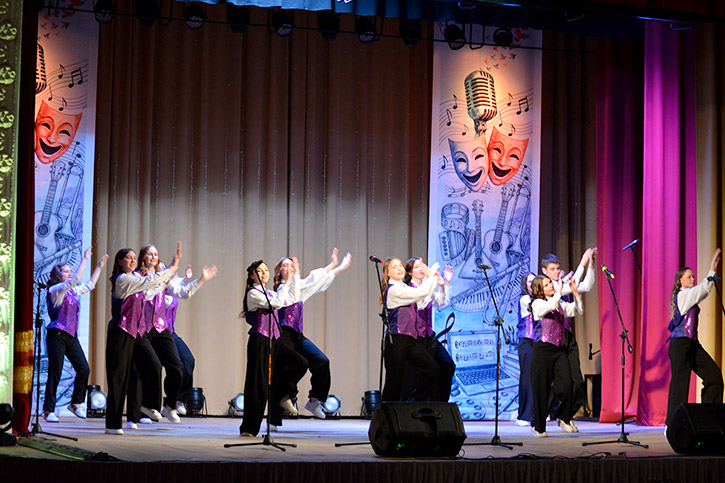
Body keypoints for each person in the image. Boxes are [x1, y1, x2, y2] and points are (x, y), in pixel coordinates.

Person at [104, 242, 181, 435]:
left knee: (154, 365)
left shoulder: (136, 279)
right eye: (128, 258)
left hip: (137, 333)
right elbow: (146, 284)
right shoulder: (122, 279)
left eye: (133, 258)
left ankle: (148, 405)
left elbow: (148, 292)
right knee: (119, 378)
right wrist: (170, 268)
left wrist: (163, 282)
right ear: (120, 262)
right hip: (121, 332)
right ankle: (113, 424)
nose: (131, 261)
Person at [270, 249, 352, 421]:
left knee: (322, 360)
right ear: (279, 271)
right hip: (283, 335)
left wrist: (337, 267)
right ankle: (276, 415)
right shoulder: (281, 288)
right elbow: (308, 282)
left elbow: (314, 283)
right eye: (285, 266)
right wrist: (331, 266)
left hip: (297, 335)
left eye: (292, 265)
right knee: (283, 371)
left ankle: (315, 400)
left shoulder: (297, 287)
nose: (289, 268)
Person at [239, 259, 308, 437]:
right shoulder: (253, 293)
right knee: (258, 385)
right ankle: (249, 428)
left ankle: (283, 395)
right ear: (252, 276)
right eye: (260, 271)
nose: (264, 273)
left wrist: (294, 278)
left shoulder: (270, 292)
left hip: (275, 339)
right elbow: (276, 304)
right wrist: (286, 283)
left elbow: (291, 299)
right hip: (260, 340)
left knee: (300, 362)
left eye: (266, 270)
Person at [43, 247, 108, 422]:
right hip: (57, 334)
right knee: (55, 371)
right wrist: (85, 259)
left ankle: (76, 403)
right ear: (58, 275)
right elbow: (77, 280)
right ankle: (48, 410)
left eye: (70, 271)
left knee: (84, 369)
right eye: (66, 271)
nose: (69, 274)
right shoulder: (55, 290)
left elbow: (89, 285)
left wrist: (99, 267)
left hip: (71, 336)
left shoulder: (72, 292)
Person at [125, 244, 186, 427]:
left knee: (176, 366)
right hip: (141, 328)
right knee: (140, 371)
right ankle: (135, 415)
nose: (153, 257)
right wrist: (169, 270)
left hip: (160, 328)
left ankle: (168, 405)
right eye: (150, 254)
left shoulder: (162, 277)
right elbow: (146, 294)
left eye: (156, 254)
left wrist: (201, 279)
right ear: (143, 257)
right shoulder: (136, 277)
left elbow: (182, 291)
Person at [666, 248, 724, 426]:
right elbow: (702, 290)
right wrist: (712, 268)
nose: (692, 279)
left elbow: (702, 290)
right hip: (680, 344)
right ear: (680, 280)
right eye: (689, 276)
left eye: (693, 276)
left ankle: (709, 420)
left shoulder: (689, 295)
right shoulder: (683, 295)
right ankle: (672, 425)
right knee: (680, 385)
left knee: (714, 377)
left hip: (692, 344)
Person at [540, 248, 596, 420]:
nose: (557, 272)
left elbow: (585, 286)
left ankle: (563, 415)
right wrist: (583, 261)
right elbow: (570, 284)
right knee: (552, 382)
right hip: (550, 339)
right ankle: (541, 416)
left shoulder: (561, 284)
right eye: (553, 269)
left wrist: (591, 265)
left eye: (558, 268)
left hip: (566, 335)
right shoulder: (545, 287)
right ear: (544, 271)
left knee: (576, 380)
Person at [529, 274, 583, 437]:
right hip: (542, 350)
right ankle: (539, 427)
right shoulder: (537, 303)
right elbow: (550, 306)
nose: (551, 286)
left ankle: (563, 417)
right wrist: (559, 292)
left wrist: (576, 294)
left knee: (567, 385)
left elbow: (577, 310)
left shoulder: (559, 303)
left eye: (550, 283)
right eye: (547, 285)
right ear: (540, 289)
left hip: (559, 351)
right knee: (542, 390)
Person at [381, 258, 441, 402]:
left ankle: (414, 402)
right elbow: (422, 293)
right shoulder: (394, 289)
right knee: (394, 383)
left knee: (432, 370)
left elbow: (423, 301)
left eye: (400, 265)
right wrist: (430, 274)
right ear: (388, 273)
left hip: (410, 339)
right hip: (396, 340)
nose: (399, 268)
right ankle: (385, 413)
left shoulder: (405, 287)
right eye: (394, 267)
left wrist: (432, 281)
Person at [402, 257, 456, 402]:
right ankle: (418, 404)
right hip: (416, 338)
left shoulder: (426, 287)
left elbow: (442, 302)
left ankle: (441, 404)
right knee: (426, 372)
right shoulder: (409, 289)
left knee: (448, 365)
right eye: (416, 267)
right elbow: (422, 302)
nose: (421, 269)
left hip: (429, 336)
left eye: (422, 266)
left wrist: (445, 284)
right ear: (409, 273)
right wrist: (431, 278)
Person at [168, 264, 218, 415]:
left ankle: (179, 399)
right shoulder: (156, 288)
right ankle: (151, 406)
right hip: (152, 333)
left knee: (188, 360)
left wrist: (190, 279)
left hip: (169, 333)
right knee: (171, 366)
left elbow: (182, 289)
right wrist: (187, 280)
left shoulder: (171, 287)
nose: (172, 273)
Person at [515, 273, 536, 427]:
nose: (532, 285)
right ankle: (524, 415)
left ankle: (537, 413)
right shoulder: (524, 299)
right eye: (530, 282)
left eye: (535, 282)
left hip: (538, 341)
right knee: (527, 377)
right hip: (527, 341)